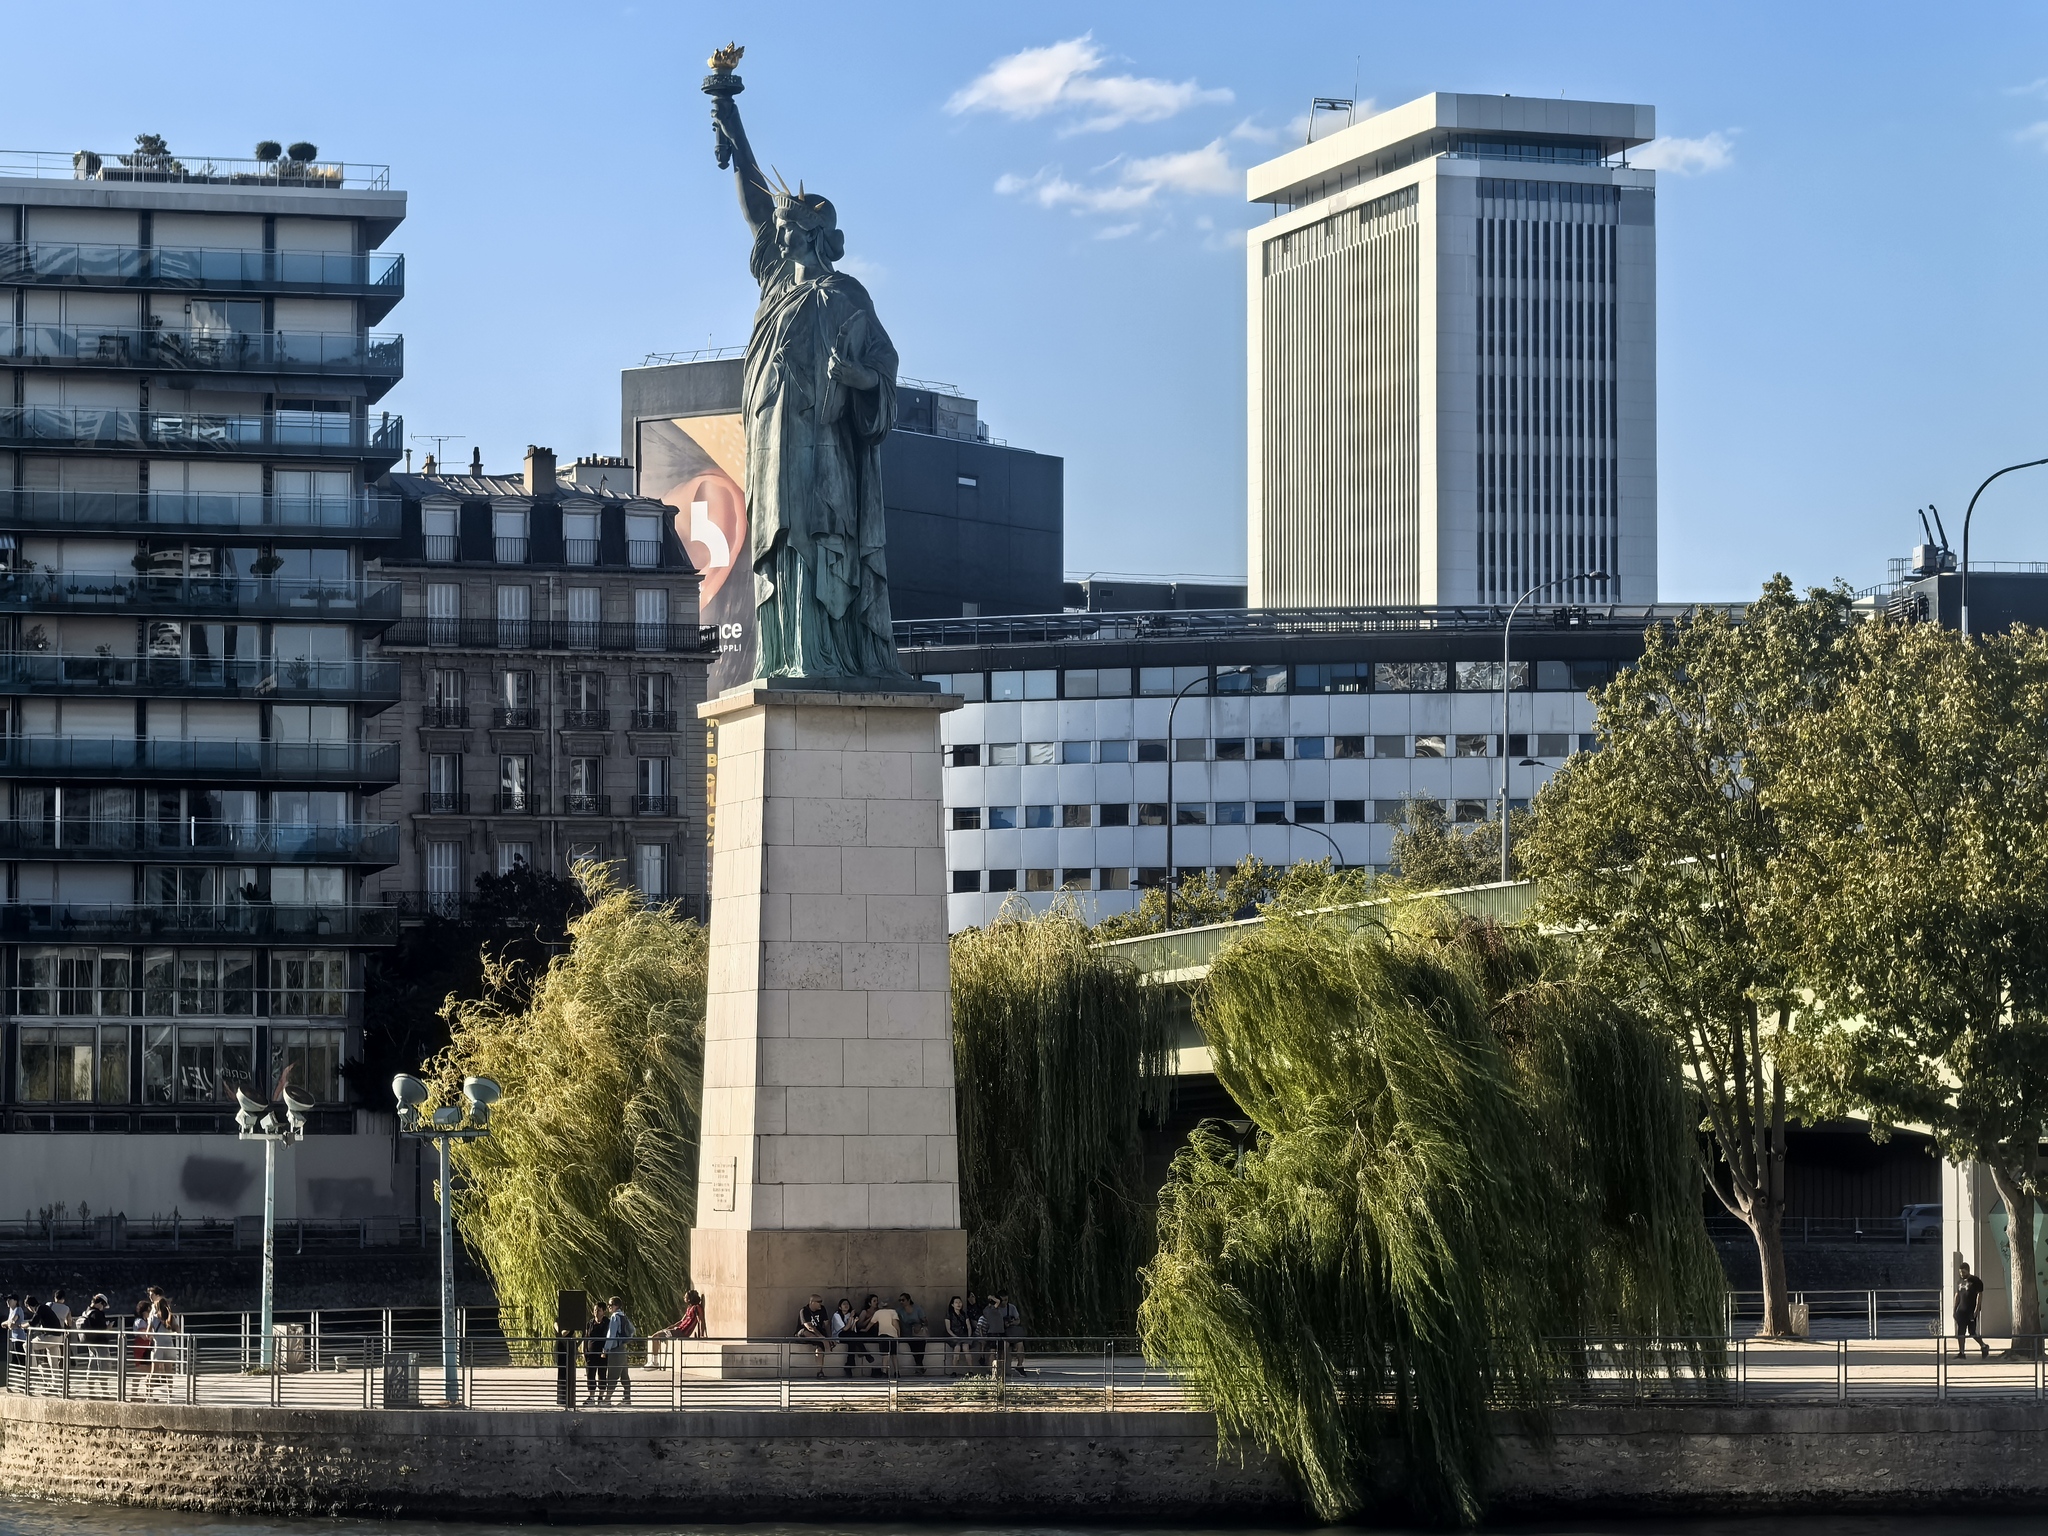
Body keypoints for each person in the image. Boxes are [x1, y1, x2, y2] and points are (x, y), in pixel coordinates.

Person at [602, 1295, 635, 1405]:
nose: (608, 1307)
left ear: (616, 1306)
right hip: (622, 1348)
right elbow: (632, 1330)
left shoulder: (615, 1317)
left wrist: (606, 1349)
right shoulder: (623, 1316)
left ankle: (607, 1399)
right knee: (624, 1375)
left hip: (615, 1349)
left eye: (610, 1305)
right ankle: (627, 1398)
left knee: (613, 1374)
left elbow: (611, 1334)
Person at [1955, 1261, 1990, 1358]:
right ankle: (1961, 1352)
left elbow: (1979, 1295)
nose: (1962, 1274)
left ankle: (1984, 1346)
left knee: (1972, 1332)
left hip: (1971, 1310)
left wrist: (1977, 1309)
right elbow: (1957, 1295)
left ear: (1968, 1271)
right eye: (1960, 1272)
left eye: (1963, 1272)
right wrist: (1955, 1309)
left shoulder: (1975, 1281)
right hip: (1961, 1310)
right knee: (1960, 1332)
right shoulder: (1959, 1282)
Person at [796, 1293, 831, 1377]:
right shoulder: (804, 1310)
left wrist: (829, 1338)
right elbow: (809, 1327)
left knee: (819, 1349)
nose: (820, 1303)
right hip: (804, 1334)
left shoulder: (822, 1309)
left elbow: (826, 1324)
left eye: (821, 1301)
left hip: (818, 1336)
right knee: (805, 1332)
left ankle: (820, 1372)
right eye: (819, 1302)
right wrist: (822, 1338)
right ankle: (821, 1340)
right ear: (812, 1302)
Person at [582, 1303, 608, 1404]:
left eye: (599, 1310)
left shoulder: (607, 1323)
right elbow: (585, 1337)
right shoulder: (590, 1323)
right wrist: (584, 1351)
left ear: (604, 1312)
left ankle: (601, 1397)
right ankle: (591, 1397)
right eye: (595, 1310)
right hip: (590, 1354)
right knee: (590, 1375)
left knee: (602, 1374)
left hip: (603, 1354)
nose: (596, 1312)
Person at [869, 1294, 901, 1378]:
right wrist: (898, 1334)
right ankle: (896, 1372)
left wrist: (865, 1329)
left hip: (883, 1335)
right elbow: (895, 1324)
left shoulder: (878, 1313)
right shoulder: (893, 1312)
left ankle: (884, 1372)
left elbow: (871, 1323)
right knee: (894, 1355)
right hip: (893, 1335)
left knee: (885, 1355)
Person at [898, 1293, 928, 1377]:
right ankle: (920, 1367)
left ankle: (919, 1367)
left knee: (921, 1345)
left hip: (918, 1333)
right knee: (914, 1347)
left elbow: (925, 1321)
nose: (901, 1302)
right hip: (906, 1333)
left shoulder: (917, 1309)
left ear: (908, 1300)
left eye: (903, 1300)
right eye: (900, 1300)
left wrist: (919, 1325)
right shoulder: (899, 1311)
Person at [943, 1295, 973, 1375]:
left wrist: (969, 1337)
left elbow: (969, 1327)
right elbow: (948, 1329)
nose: (958, 1304)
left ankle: (971, 1370)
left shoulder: (964, 1314)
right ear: (952, 1305)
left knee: (966, 1348)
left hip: (963, 1335)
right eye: (956, 1302)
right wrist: (955, 1337)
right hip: (953, 1335)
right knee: (957, 1348)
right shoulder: (949, 1315)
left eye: (960, 1302)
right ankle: (954, 1371)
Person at [554, 1325, 577, 1408]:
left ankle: (569, 1399)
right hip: (562, 1348)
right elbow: (561, 1333)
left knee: (570, 1374)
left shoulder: (572, 1322)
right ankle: (561, 1398)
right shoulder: (558, 1322)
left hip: (570, 1347)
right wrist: (570, 1328)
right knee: (562, 1373)